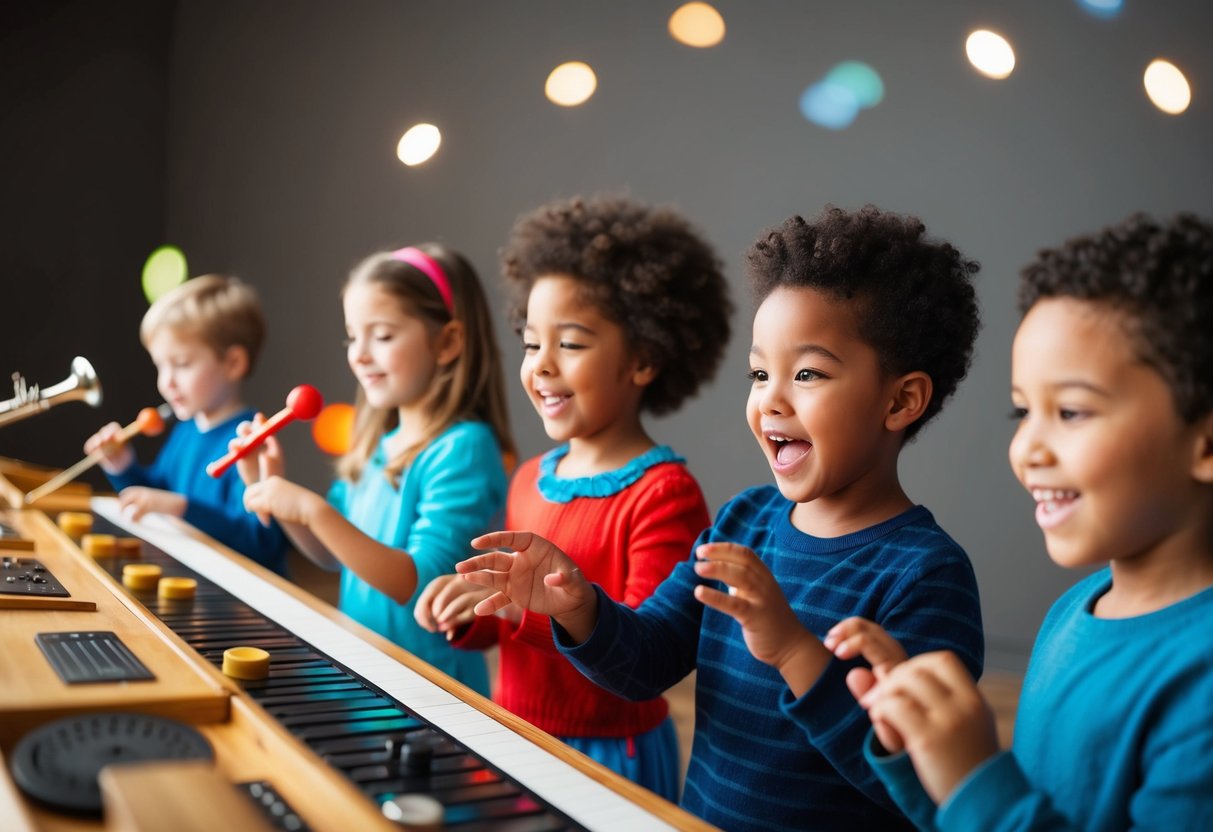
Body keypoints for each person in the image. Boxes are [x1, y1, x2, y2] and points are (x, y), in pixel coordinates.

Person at [455, 205, 986, 830]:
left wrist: (794, 651)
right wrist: (578, 607)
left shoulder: (928, 575)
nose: (771, 400)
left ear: (901, 400)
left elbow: (921, 787)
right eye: (760, 373)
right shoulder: (743, 524)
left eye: (807, 373)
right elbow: (647, 663)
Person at [834, 212, 1213, 831]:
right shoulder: (1073, 611)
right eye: (1022, 412)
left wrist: (974, 777)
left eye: (1071, 412)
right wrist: (924, 753)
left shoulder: (1201, 687)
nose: (1027, 449)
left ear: (1205, 443)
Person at [413, 195, 733, 801]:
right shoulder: (528, 478)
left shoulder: (664, 494)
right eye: (532, 344)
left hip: (609, 756)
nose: (542, 366)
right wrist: (471, 612)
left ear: (643, 359)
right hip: (515, 736)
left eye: (572, 344)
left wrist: (522, 610)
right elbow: (511, 632)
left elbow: (646, 653)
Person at [236, 244, 514, 695]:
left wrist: (311, 510)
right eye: (352, 337)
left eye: (382, 336)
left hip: (430, 690)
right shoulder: (377, 445)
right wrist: (271, 488)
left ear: (447, 342)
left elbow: (420, 582)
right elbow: (331, 553)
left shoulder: (464, 448)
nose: (359, 355)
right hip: (367, 673)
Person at [85, 274, 289, 574]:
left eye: (181, 364)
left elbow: (260, 542)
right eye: (160, 366)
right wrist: (123, 467)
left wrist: (179, 507)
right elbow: (154, 497)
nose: (166, 382)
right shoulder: (187, 430)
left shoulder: (250, 441)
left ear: (233, 363)